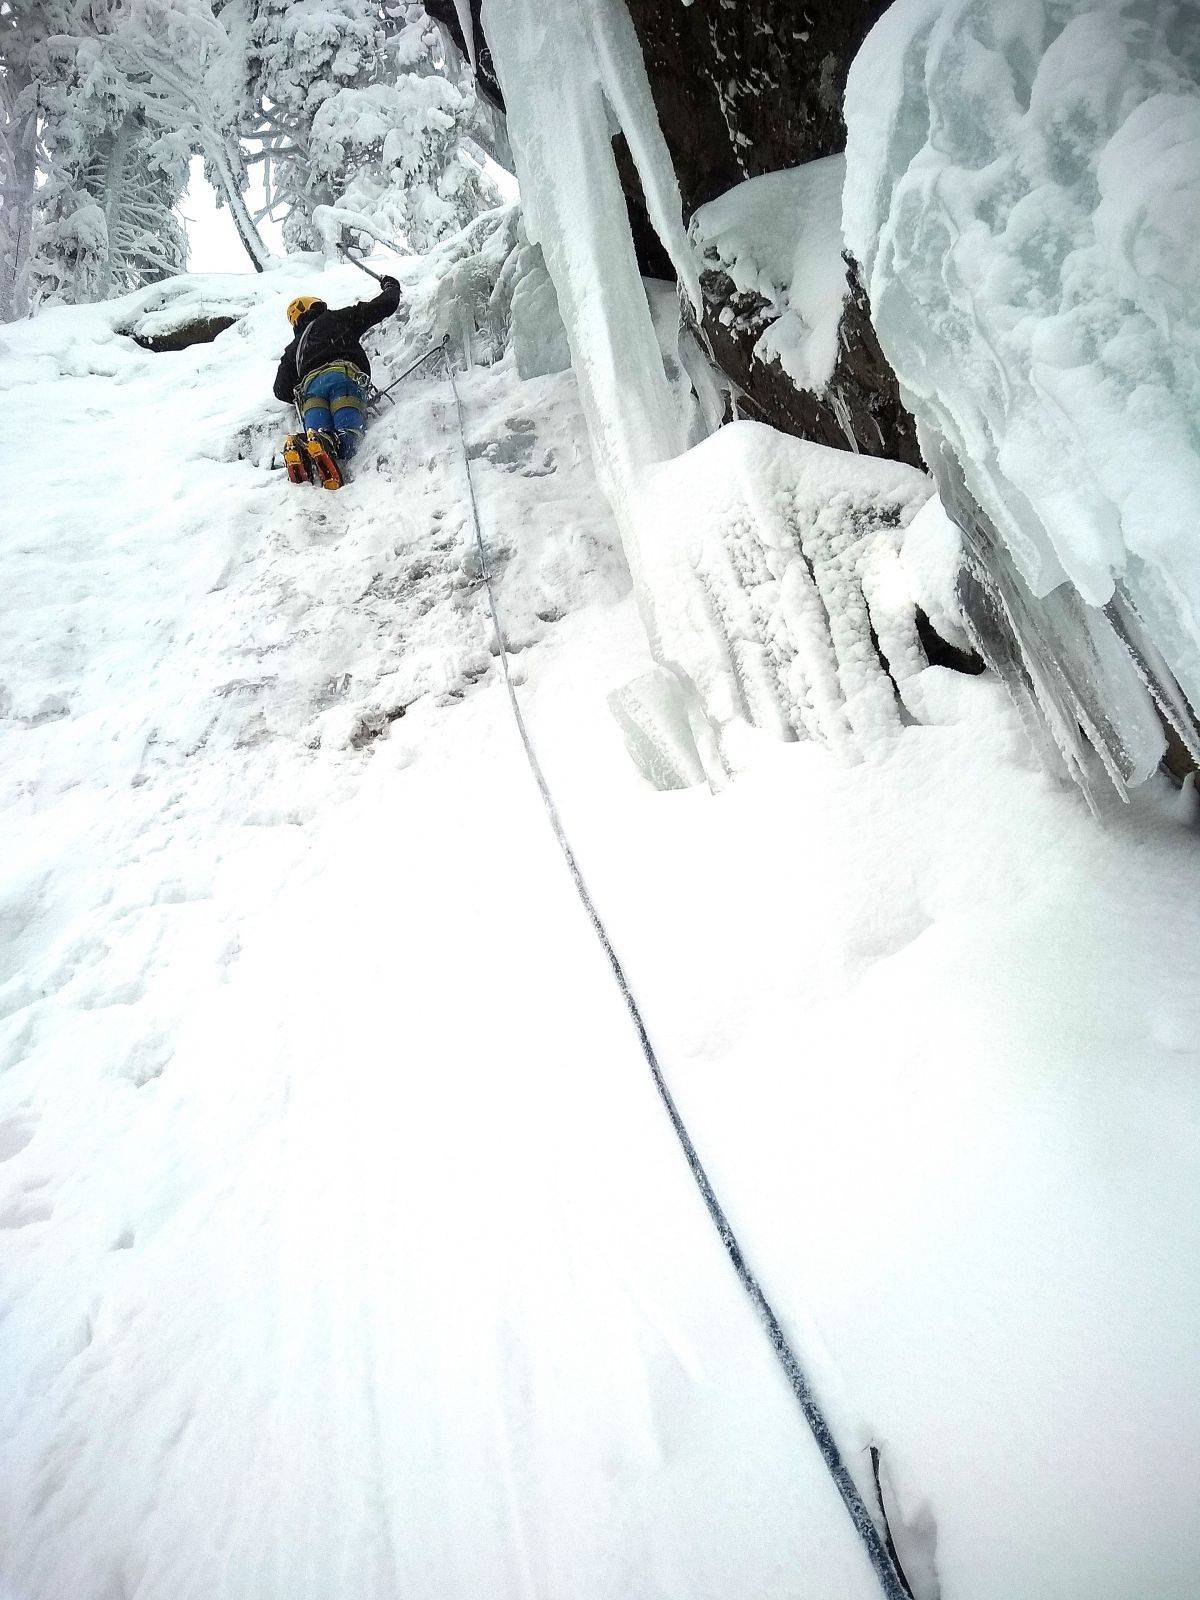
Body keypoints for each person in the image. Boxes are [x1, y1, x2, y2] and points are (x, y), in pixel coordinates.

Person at [274, 276, 402, 489]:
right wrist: (391, 286)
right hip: (343, 379)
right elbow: (383, 305)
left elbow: (280, 389)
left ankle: (302, 449)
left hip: (311, 393)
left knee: (316, 436)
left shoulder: (293, 349)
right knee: (348, 439)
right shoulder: (336, 319)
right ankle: (327, 442)